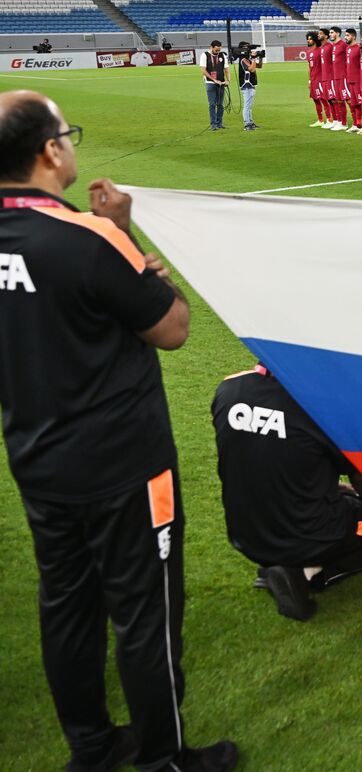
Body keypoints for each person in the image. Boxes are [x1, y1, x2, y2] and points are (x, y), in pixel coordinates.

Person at [0, 91, 237, 771]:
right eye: (66, 134)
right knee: (145, 612)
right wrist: (126, 237)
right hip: (123, 464)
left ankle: (93, 748)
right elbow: (172, 327)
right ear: (50, 151)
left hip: (38, 458)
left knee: (67, 606)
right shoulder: (89, 235)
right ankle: (163, 758)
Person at [212, 365, 362, 622]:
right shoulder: (320, 406)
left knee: (349, 500)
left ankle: (287, 564)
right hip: (307, 533)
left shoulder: (229, 388)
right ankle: (305, 573)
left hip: (245, 532)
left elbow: (262, 456)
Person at [201, 40, 228, 131]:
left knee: (220, 104)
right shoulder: (204, 55)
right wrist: (214, 80)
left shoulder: (223, 55)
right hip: (210, 83)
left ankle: (219, 123)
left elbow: (226, 69)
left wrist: (228, 80)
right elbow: (203, 70)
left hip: (221, 83)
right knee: (212, 104)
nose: (218, 52)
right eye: (216, 50)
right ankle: (213, 124)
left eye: (219, 50)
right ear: (211, 47)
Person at [235, 41, 261, 132]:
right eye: (247, 48)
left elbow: (259, 66)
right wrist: (254, 59)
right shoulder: (243, 59)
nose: (249, 50)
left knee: (249, 106)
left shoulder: (247, 59)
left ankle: (250, 122)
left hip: (250, 84)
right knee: (247, 106)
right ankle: (247, 124)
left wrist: (259, 57)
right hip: (247, 85)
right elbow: (252, 69)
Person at [317, 27, 339, 131]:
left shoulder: (330, 47)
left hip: (331, 77)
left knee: (334, 99)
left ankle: (339, 121)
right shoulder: (321, 48)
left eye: (320, 34)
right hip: (324, 77)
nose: (318, 35)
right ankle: (334, 121)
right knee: (329, 100)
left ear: (326, 36)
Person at [329, 26, 350, 129]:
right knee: (338, 100)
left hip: (343, 77)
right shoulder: (334, 46)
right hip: (336, 77)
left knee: (348, 100)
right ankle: (342, 122)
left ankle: (356, 123)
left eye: (332, 32)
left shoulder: (343, 45)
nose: (330, 35)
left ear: (337, 33)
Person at [343, 29, 362, 133]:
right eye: (345, 35)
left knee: (361, 103)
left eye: (348, 35)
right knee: (353, 103)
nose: (345, 37)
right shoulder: (347, 48)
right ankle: (356, 124)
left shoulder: (359, 48)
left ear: (354, 37)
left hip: (358, 79)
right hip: (349, 79)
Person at [305, 31, 326, 128]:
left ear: (315, 40)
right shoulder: (308, 53)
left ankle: (330, 119)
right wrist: (309, 80)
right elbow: (310, 67)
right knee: (315, 100)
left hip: (320, 79)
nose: (308, 40)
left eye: (310, 39)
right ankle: (320, 120)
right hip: (313, 80)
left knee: (324, 100)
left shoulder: (320, 50)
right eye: (307, 39)